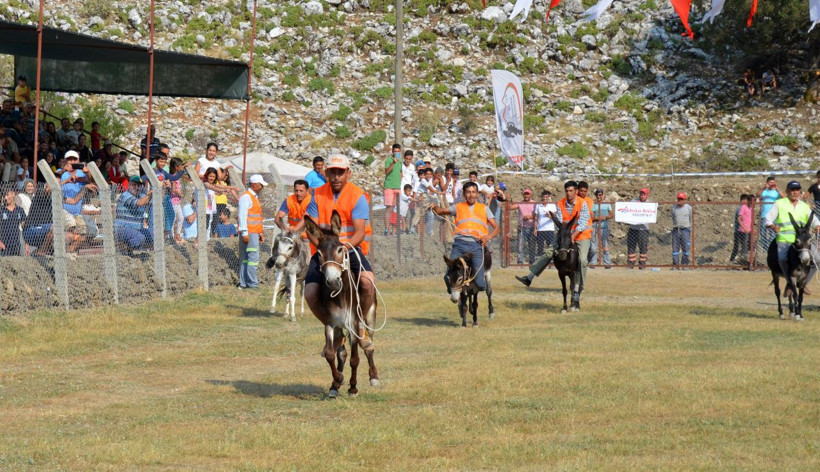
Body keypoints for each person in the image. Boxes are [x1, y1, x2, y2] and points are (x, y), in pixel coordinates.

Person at [304, 154, 375, 349]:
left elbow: (360, 231)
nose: (336, 176)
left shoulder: (357, 196)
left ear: (348, 173)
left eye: (340, 172)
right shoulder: (317, 194)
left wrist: (345, 248)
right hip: (325, 252)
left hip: (349, 248)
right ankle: (332, 326)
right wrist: (321, 248)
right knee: (310, 293)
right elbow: (310, 228)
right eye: (333, 172)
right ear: (326, 173)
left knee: (368, 282)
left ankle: (361, 326)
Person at [516, 180, 591, 291]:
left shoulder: (583, 203)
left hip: (581, 235)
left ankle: (580, 286)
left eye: (571, 191)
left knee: (583, 260)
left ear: (576, 191)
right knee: (548, 252)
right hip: (564, 235)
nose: (568, 193)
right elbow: (559, 222)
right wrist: (564, 235)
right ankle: (529, 278)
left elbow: (583, 222)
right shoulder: (560, 203)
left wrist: (573, 235)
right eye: (566, 191)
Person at [431, 181, 499, 293]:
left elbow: (497, 228)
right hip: (459, 245)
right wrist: (434, 207)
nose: (471, 195)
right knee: (447, 276)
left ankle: (483, 289)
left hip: (476, 246)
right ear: (464, 194)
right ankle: (456, 291)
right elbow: (440, 211)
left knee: (480, 284)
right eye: (468, 192)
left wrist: (489, 236)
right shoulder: (458, 207)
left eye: (473, 192)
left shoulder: (484, 208)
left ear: (477, 194)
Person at [764, 181, 820, 294]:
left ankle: (803, 284)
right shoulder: (779, 204)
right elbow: (767, 218)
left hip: (802, 241)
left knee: (817, 260)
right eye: (792, 190)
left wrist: (817, 226)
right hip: (785, 239)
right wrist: (772, 225)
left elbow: (813, 219)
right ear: (787, 191)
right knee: (782, 259)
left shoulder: (804, 206)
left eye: (797, 190)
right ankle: (790, 283)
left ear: (800, 192)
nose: (794, 192)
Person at [237, 174, 268, 290]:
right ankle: (252, 283)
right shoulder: (247, 197)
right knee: (252, 258)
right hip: (249, 233)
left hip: (253, 233)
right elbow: (242, 215)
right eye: (260, 185)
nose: (262, 187)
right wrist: (245, 232)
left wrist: (260, 232)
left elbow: (255, 217)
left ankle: (244, 283)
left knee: (246, 258)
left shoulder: (253, 197)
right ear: (254, 184)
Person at [114, 175, 153, 252]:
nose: (136, 187)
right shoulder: (125, 195)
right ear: (129, 185)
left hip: (137, 229)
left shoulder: (142, 196)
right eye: (134, 185)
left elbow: (157, 200)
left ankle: (133, 249)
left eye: (138, 185)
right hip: (122, 228)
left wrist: (161, 189)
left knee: (153, 236)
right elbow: (139, 203)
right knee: (140, 237)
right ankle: (125, 249)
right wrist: (149, 195)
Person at [275, 179, 311, 244]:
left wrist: (293, 231)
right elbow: (278, 218)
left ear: (307, 191)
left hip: (307, 234)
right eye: (296, 190)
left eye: (301, 191)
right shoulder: (289, 200)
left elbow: (304, 219)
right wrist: (286, 229)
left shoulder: (311, 201)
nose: (298, 193)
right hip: (291, 232)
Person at [509, 188, 536, 264]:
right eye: (525, 194)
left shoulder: (534, 203)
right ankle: (520, 261)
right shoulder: (520, 203)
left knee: (532, 245)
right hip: (522, 228)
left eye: (528, 194)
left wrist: (530, 217)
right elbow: (510, 207)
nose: (526, 195)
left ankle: (532, 260)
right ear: (523, 195)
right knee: (520, 245)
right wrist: (508, 200)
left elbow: (538, 214)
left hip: (531, 227)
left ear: (530, 195)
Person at [627, 188, 651, 269]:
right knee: (631, 246)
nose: (642, 196)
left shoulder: (649, 204)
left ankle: (642, 264)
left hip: (643, 229)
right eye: (641, 194)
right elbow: (628, 209)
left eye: (644, 194)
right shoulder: (634, 201)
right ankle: (631, 264)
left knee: (643, 247)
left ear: (647, 195)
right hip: (633, 228)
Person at [758, 176, 783, 252]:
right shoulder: (765, 191)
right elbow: (757, 195)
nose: (772, 184)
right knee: (763, 232)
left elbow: (784, 197)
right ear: (767, 183)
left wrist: (778, 189)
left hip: (774, 215)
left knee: (773, 232)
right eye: (770, 182)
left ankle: (770, 246)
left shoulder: (777, 192)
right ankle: (765, 247)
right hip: (764, 215)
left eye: (773, 182)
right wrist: (763, 188)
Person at [383, 143, 403, 235]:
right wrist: (393, 162)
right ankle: (386, 228)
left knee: (395, 209)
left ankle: (392, 229)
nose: (396, 153)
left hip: (397, 186)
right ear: (392, 151)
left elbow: (400, 173)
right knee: (389, 208)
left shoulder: (400, 161)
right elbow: (386, 172)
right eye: (395, 151)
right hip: (389, 186)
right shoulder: (389, 160)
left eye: (398, 151)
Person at [590, 188, 613, 268]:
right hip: (595, 227)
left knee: (605, 246)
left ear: (603, 195)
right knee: (594, 246)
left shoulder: (607, 204)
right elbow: (591, 217)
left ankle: (607, 263)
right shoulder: (593, 204)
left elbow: (611, 215)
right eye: (597, 195)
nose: (598, 196)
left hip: (604, 227)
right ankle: (593, 263)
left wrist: (605, 217)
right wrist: (597, 218)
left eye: (600, 195)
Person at [0, 188, 26, 256]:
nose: (5, 198)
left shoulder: (20, 210)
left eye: (7, 195)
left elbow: (25, 228)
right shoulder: (1, 210)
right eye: (4, 195)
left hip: (16, 245)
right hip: (3, 245)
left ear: (13, 194)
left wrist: (26, 244)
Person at [671, 192, 693, 268]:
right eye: (679, 199)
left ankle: (685, 264)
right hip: (676, 230)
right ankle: (675, 265)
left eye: (681, 199)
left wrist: (690, 229)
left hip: (685, 230)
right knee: (675, 249)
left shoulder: (689, 208)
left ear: (685, 200)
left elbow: (691, 218)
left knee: (686, 249)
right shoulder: (674, 208)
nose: (680, 200)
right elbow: (673, 218)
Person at [534, 190, 556, 258]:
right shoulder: (538, 205)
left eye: (547, 197)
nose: (545, 198)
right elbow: (536, 218)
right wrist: (535, 228)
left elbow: (554, 217)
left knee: (550, 246)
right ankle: (540, 261)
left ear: (549, 197)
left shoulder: (552, 205)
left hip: (549, 229)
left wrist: (549, 216)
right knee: (540, 246)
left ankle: (551, 261)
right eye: (544, 197)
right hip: (540, 229)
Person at [730, 194, 752, 263]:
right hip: (740, 231)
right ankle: (737, 260)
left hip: (746, 230)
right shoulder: (741, 208)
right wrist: (744, 228)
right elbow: (739, 219)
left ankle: (736, 259)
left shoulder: (749, 208)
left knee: (744, 246)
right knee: (740, 246)